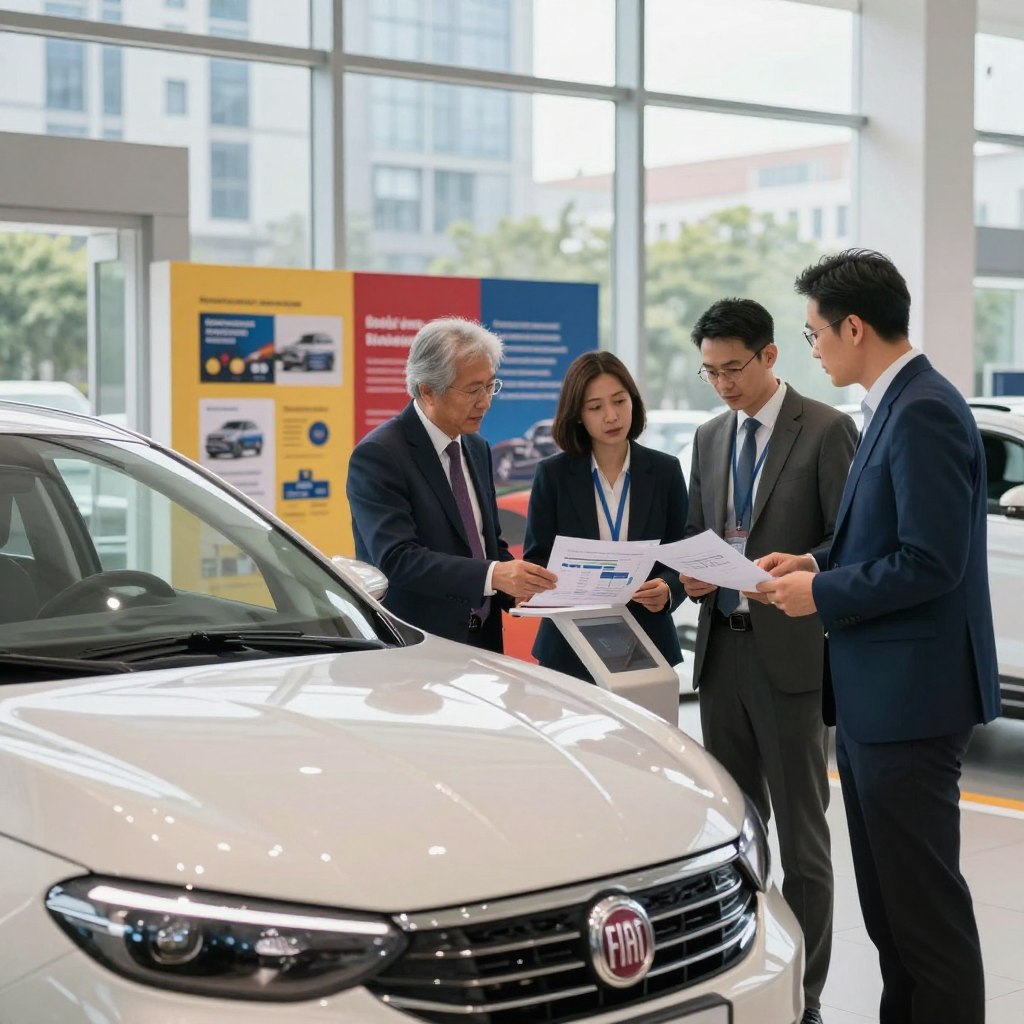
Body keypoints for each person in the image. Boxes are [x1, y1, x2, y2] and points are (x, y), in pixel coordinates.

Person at [757, 250, 1001, 1024]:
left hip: (911, 703)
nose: (814, 348)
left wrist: (820, 592)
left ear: (854, 326)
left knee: (923, 917)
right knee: (894, 914)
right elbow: (887, 534)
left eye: (814, 333)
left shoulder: (923, 407)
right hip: (877, 701)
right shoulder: (893, 404)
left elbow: (931, 562)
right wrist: (816, 558)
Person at [680, 298, 856, 1024]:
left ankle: (803, 998)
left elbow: (854, 543)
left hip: (791, 663)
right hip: (723, 658)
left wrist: (804, 567)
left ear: (770, 355)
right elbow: (702, 533)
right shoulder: (709, 436)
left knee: (803, 845)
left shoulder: (826, 430)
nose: (722, 384)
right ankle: (744, 980)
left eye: (733, 368)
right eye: (709, 372)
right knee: (734, 838)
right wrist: (693, 574)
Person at [346, 317, 556, 653]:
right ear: (427, 389)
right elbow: (397, 559)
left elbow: (486, 543)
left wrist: (518, 583)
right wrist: (494, 575)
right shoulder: (379, 455)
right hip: (415, 646)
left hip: (483, 640)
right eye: (473, 389)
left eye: (490, 386)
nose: (485, 401)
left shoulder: (476, 447)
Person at [523, 351, 687, 680]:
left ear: (634, 402)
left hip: (647, 638)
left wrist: (668, 589)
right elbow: (538, 557)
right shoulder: (552, 475)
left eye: (619, 401)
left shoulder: (665, 471)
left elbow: (680, 550)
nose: (611, 416)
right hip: (570, 643)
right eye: (596, 407)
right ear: (578, 415)